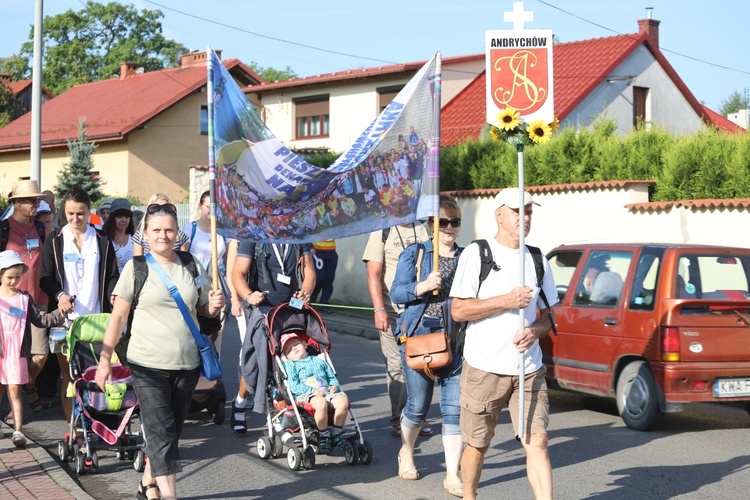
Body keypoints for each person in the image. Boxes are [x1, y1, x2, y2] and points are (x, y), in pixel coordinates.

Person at [94, 202, 224, 500]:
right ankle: (170, 495)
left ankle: (147, 483)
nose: (163, 235)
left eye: (169, 229)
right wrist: (104, 359)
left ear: (178, 232)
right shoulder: (136, 268)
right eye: (156, 230)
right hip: (147, 364)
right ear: (146, 233)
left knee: (171, 432)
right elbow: (118, 318)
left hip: (187, 363)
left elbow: (203, 309)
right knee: (161, 432)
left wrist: (212, 305)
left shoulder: (192, 265)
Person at [450, 189, 557, 500]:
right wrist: (506, 300)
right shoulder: (478, 253)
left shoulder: (537, 258)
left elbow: (550, 316)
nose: (524, 218)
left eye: (529, 212)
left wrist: (535, 330)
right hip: (485, 367)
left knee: (537, 442)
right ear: (499, 215)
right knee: (478, 445)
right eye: (517, 211)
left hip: (528, 369)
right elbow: (458, 310)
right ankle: (469, 495)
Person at [390, 195, 464, 496]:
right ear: (431, 224)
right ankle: (406, 451)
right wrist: (422, 285)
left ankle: (452, 475)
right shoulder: (417, 253)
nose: (449, 228)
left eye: (454, 221)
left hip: (456, 339)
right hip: (420, 335)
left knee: (453, 410)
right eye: (442, 222)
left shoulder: (468, 256)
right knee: (418, 407)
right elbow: (396, 292)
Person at [39, 187, 120, 423]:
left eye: (81, 214)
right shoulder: (55, 241)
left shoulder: (102, 239)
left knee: (99, 374)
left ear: (89, 211)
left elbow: (113, 275)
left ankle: (99, 424)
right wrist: (60, 295)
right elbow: (45, 277)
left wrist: (113, 294)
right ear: (64, 211)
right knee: (71, 378)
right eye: (71, 214)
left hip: (97, 320)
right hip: (68, 322)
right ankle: (77, 432)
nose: (75, 219)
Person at [230, 241, 315, 435]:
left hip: (291, 308)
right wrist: (249, 295)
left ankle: (288, 408)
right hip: (261, 309)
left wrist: (305, 293)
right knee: (255, 362)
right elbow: (237, 274)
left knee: (291, 359)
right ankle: (240, 401)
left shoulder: (300, 236)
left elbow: (309, 273)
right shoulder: (253, 235)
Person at [362, 222, 433, 438]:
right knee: (396, 366)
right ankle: (400, 417)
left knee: (421, 362)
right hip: (392, 311)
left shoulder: (423, 228)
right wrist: (379, 309)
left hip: (419, 308)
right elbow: (373, 274)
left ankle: (415, 414)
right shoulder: (382, 230)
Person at [0, 251, 63, 447]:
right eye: (10, 277)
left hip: (17, 352)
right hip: (2, 351)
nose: (14, 281)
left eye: (17, 277)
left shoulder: (24, 299)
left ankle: (18, 431)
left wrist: (60, 313)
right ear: (0, 275)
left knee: (15, 390)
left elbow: (41, 319)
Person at [0, 180, 50, 421]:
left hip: (37, 301)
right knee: (10, 358)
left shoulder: (41, 228)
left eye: (37, 200)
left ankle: (28, 383)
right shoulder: (3, 229)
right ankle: (14, 407)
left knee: (40, 356)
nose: (36, 204)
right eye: (32, 200)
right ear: (16, 202)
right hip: (8, 304)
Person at [280, 332, 352, 454]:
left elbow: (331, 376)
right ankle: (324, 435)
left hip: (326, 391)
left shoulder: (320, 360)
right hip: (307, 394)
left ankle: (336, 433)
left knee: (343, 401)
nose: (294, 348)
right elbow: (293, 386)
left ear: (304, 344)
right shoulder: (291, 365)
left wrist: (334, 386)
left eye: (296, 344)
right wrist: (313, 391)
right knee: (320, 402)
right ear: (287, 356)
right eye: (289, 349)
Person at [102, 198, 135, 274]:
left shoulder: (135, 238)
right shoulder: (104, 239)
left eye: (126, 217)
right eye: (119, 217)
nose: (123, 220)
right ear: (112, 218)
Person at [311, 240, 338, 310]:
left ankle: (324, 304)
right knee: (319, 278)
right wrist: (310, 247)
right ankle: (311, 301)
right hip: (317, 251)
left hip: (331, 252)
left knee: (329, 279)